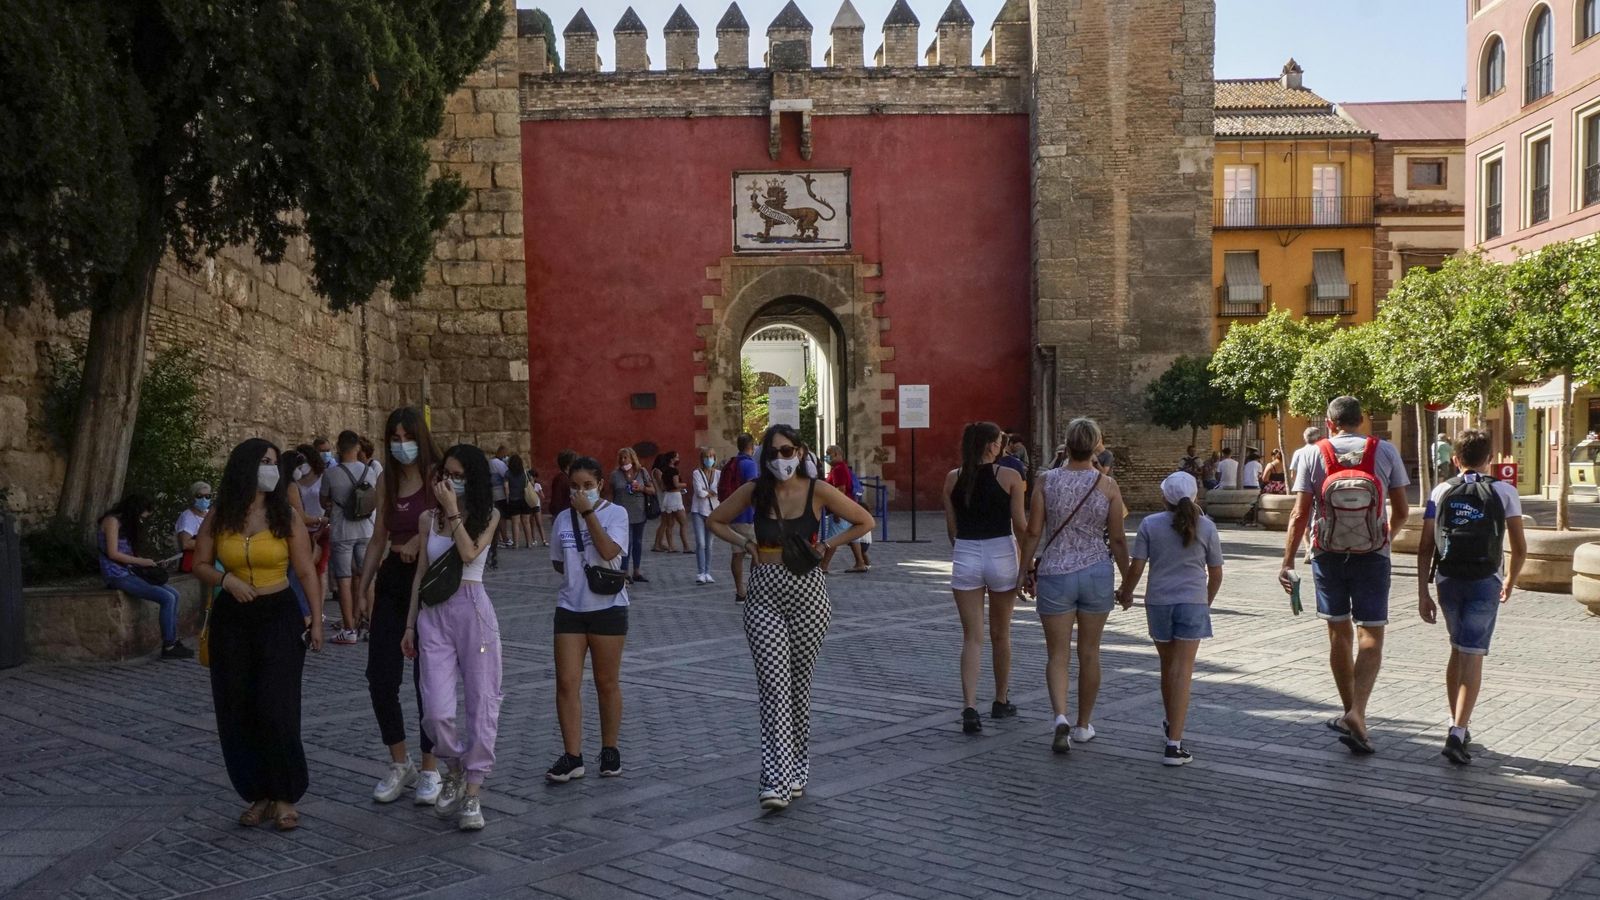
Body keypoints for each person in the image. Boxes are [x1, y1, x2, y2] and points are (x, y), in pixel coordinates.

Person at [708, 425, 874, 810]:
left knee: (799, 686)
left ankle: (798, 766)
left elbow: (865, 521)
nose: (781, 459)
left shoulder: (818, 490)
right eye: (774, 452)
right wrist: (747, 543)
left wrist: (827, 545)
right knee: (772, 686)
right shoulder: (755, 490)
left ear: (800, 452)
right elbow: (715, 520)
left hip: (809, 593)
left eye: (787, 451)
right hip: (764, 591)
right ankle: (774, 779)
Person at [192, 438, 322, 830]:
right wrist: (225, 580)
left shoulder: (286, 516)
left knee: (276, 706)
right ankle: (258, 793)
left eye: (273, 462)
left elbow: (305, 571)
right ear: (246, 467)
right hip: (233, 619)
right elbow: (199, 563)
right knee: (238, 707)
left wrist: (316, 619)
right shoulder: (220, 515)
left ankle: (284, 795)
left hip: (278, 615)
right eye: (264, 461)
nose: (271, 468)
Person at [1279, 396, 1410, 755]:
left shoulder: (1311, 453)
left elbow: (1299, 513)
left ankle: (1349, 711)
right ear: (1362, 420)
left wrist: (1288, 560)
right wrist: (1385, 538)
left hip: (1327, 554)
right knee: (1372, 633)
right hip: (1373, 555)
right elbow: (1402, 509)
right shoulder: (1384, 451)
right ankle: (1359, 712)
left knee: (1339, 632)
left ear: (1329, 421)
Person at [399, 445, 502, 830]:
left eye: (459, 475)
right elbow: (421, 573)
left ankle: (473, 791)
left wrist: (454, 512)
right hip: (433, 615)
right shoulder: (428, 519)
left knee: (482, 702)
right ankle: (456, 767)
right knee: (436, 710)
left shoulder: (488, 515)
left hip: (473, 611)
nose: (450, 481)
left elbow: (470, 550)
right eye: (446, 473)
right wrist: (410, 625)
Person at [1019, 418, 1130, 754]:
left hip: (1055, 572)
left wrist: (1024, 569)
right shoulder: (1107, 486)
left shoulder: (1046, 481)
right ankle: (1083, 724)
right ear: (1096, 446)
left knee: (1057, 654)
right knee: (1090, 652)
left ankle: (1059, 717)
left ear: (1066, 445)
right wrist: (1128, 579)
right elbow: (1118, 538)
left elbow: (1034, 531)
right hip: (1096, 571)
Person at [1417, 430, 1527, 765]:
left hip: (1448, 579)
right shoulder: (1505, 491)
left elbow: (1425, 547)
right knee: (1473, 653)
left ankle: (1456, 723)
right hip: (1485, 580)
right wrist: (1509, 579)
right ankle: (1458, 732)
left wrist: (1422, 591)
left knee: (1457, 648)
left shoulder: (1441, 490)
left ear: (1455, 458)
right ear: (1489, 457)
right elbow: (1520, 548)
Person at [356, 407, 443, 806]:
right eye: (394, 437)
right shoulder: (386, 481)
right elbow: (377, 537)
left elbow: (453, 523)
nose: (401, 444)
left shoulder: (436, 477)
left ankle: (430, 767)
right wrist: (363, 583)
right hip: (393, 581)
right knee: (380, 675)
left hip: (428, 583)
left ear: (420, 439)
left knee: (427, 679)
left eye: (407, 436)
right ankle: (399, 760)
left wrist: (419, 543)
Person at [1118, 471, 1224, 766]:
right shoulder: (1206, 527)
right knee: (1183, 670)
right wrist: (1205, 602)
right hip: (1192, 602)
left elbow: (1137, 567)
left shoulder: (1150, 524)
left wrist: (1126, 593)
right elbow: (1215, 572)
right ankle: (1174, 743)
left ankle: (1170, 722)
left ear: (1164, 496)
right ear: (1194, 496)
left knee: (1168, 666)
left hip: (1159, 602)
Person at [545, 457, 632, 784]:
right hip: (570, 607)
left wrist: (588, 513)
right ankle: (572, 755)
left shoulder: (615, 514)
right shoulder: (561, 520)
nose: (580, 492)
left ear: (600, 485)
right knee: (566, 682)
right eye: (575, 487)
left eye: (587, 486)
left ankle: (610, 749)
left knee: (606, 682)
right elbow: (557, 562)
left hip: (608, 607)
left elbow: (610, 551)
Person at [942, 423, 1028, 734]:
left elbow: (952, 530)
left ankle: (969, 707)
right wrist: (1028, 564)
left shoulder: (953, 478)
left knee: (972, 637)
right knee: (1001, 633)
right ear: (991, 446)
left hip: (966, 551)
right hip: (1001, 550)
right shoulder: (1010, 477)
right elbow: (1020, 524)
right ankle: (1001, 699)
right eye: (999, 442)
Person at [99, 494, 192, 660]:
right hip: (116, 574)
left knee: (175, 594)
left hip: (130, 571)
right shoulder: (112, 521)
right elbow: (113, 553)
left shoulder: (125, 524)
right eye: (141, 517)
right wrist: (141, 561)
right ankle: (169, 645)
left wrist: (150, 563)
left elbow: (128, 553)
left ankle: (173, 640)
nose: (141, 521)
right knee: (167, 598)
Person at [323, 430, 380, 644]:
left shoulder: (331, 474)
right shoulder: (370, 471)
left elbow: (323, 501)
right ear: (357, 448)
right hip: (366, 529)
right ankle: (372, 623)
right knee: (369, 578)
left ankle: (349, 630)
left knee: (344, 580)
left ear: (339, 448)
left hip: (342, 531)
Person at [721, 434, 763, 603]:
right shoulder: (749, 464)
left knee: (737, 554)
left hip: (733, 514)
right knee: (758, 551)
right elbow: (753, 489)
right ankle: (753, 588)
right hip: (748, 515)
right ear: (751, 446)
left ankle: (739, 589)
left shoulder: (732, 463)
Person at [291, 443, 331, 616]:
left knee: (320, 568)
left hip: (323, 527)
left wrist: (324, 522)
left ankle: (319, 610)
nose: (302, 464)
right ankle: (306, 606)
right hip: (302, 529)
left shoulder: (323, 477)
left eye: (304, 460)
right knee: (304, 568)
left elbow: (329, 502)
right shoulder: (295, 480)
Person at [608, 448, 655, 583]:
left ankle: (637, 571)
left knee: (638, 542)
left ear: (632, 459)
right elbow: (611, 493)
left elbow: (652, 490)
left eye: (625, 458)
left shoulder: (641, 472)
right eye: (621, 458)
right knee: (625, 543)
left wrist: (642, 488)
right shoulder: (615, 475)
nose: (623, 461)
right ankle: (624, 571)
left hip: (639, 511)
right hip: (621, 513)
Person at [821, 445, 869, 575]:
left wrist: (837, 510)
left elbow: (840, 490)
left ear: (836, 454)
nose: (826, 456)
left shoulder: (838, 470)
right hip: (847, 506)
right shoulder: (841, 468)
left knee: (833, 538)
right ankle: (860, 562)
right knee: (852, 536)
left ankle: (823, 566)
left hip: (840, 508)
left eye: (828, 453)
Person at [690, 447, 721, 584]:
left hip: (713, 511)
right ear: (702, 459)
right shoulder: (697, 473)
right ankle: (701, 572)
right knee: (700, 542)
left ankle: (708, 572)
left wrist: (708, 491)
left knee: (709, 544)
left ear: (714, 458)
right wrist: (711, 492)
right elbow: (699, 492)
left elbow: (719, 490)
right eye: (706, 456)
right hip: (698, 510)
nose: (709, 459)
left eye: (711, 456)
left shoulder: (719, 474)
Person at [652, 450, 691, 554]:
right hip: (674, 497)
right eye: (677, 457)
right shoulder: (673, 471)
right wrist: (684, 485)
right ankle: (686, 546)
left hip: (667, 498)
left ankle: (670, 546)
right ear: (672, 459)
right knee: (683, 522)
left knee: (668, 524)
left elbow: (664, 485)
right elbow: (676, 484)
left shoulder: (664, 472)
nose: (678, 459)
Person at [174, 481, 211, 574]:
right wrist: (211, 544)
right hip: (194, 563)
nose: (204, 499)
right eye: (199, 496)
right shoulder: (187, 517)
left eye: (207, 496)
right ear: (192, 497)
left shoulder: (210, 514)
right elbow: (186, 544)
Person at [506, 454, 534, 549]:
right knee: (526, 522)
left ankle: (516, 543)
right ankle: (529, 543)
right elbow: (532, 482)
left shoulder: (508, 473)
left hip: (514, 499)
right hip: (525, 499)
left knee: (515, 523)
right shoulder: (525, 472)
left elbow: (506, 487)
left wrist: (507, 497)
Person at [488, 446, 512, 550]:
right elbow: (507, 475)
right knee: (501, 517)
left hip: (493, 493)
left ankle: (498, 539)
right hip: (500, 494)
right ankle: (505, 538)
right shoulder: (499, 463)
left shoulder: (490, 462)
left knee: (496, 517)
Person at [548, 450, 576, 518]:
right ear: (568, 465)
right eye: (574, 462)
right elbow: (556, 501)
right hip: (562, 516)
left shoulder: (567, 477)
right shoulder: (561, 479)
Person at [526, 465, 548, 546]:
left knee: (539, 523)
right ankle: (534, 539)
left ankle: (544, 540)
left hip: (536, 505)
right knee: (532, 523)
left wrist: (536, 491)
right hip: (530, 505)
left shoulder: (537, 485)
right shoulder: (527, 485)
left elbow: (543, 496)